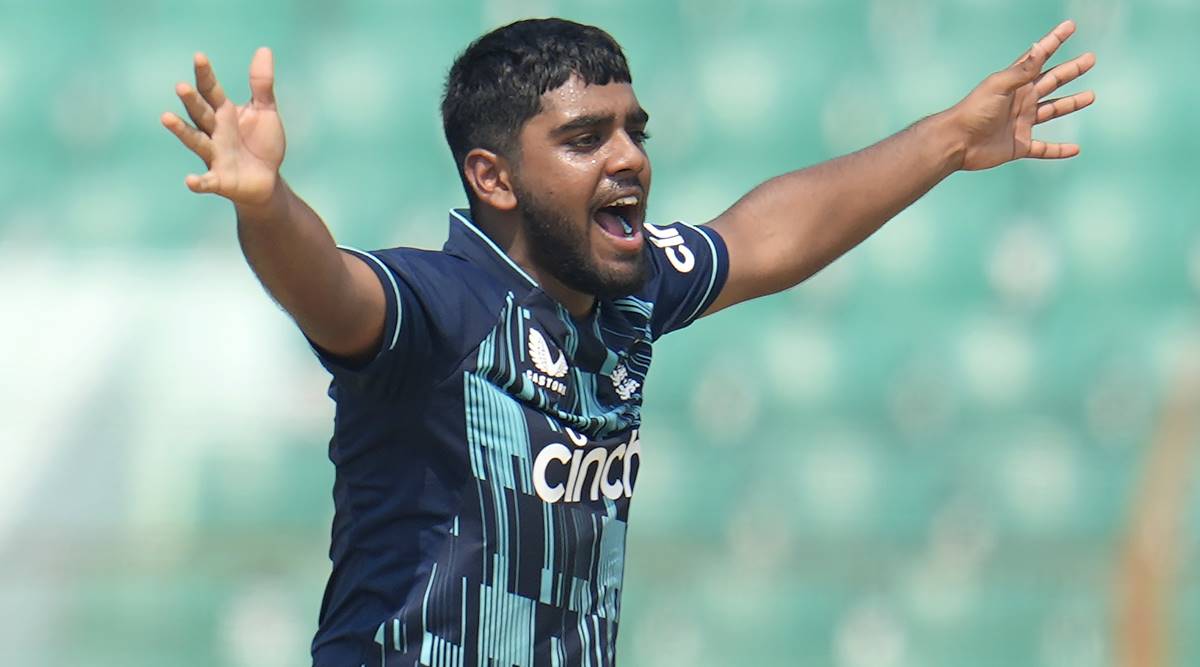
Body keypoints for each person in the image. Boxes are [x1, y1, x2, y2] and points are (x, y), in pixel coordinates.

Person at [161, 17, 1094, 667]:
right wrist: (267, 205)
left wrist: (951, 139)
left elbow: (768, 237)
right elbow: (327, 287)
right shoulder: (442, 306)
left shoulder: (625, 289)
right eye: (584, 137)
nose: (629, 157)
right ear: (493, 176)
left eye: (633, 130)